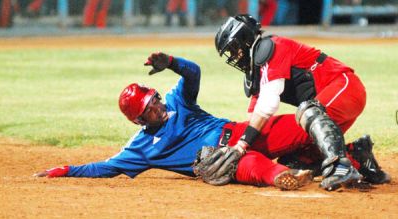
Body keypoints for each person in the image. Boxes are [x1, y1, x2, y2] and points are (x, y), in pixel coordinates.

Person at [34, 52, 313, 191]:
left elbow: (194, 74)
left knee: (300, 127)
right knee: (250, 164)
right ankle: (282, 176)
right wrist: (65, 169)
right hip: (221, 159)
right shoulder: (142, 148)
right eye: (149, 107)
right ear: (139, 120)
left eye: (153, 98)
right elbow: (105, 168)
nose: (156, 105)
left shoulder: (177, 99)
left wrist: (170, 61)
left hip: (240, 132)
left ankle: (345, 156)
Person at [213, 14, 390, 191]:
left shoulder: (271, 47)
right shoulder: (259, 71)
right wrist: (241, 151)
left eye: (234, 48)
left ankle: (340, 167)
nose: (234, 56)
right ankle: (360, 158)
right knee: (295, 160)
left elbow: (268, 104)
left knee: (308, 111)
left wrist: (242, 145)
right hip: (327, 108)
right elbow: (254, 119)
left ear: (245, 38)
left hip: (346, 88)